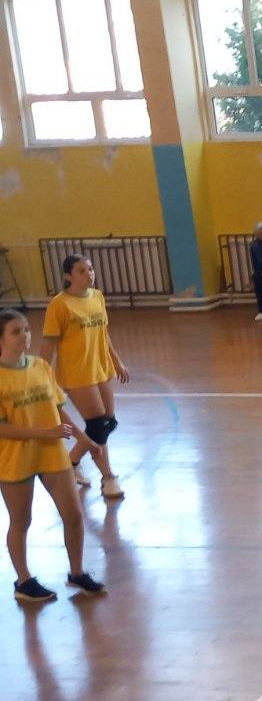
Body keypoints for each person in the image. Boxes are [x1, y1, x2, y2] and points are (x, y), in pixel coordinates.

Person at [0, 310, 106, 602]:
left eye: (26, 329)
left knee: (74, 515)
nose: (25, 335)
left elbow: (56, 409)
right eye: (15, 331)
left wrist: (84, 438)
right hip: (15, 460)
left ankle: (77, 573)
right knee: (21, 520)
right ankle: (23, 581)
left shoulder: (40, 367)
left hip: (51, 454)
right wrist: (45, 433)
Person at [41, 255, 127, 499]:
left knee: (109, 422)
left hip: (101, 367)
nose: (89, 274)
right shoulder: (59, 305)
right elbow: (48, 345)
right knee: (98, 425)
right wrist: (41, 377)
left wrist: (116, 361)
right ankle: (108, 477)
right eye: (81, 270)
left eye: (90, 269)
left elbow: (103, 333)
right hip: (77, 372)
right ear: (68, 276)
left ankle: (71, 462)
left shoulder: (97, 296)